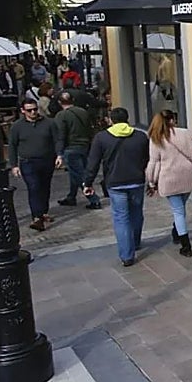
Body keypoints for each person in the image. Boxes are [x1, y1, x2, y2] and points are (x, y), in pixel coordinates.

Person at [83, 107, 151, 267]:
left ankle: (127, 255)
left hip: (115, 182)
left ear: (110, 120)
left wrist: (88, 182)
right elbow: (147, 158)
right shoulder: (140, 136)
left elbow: (93, 163)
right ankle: (135, 242)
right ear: (127, 119)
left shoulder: (101, 138)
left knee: (121, 218)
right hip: (137, 180)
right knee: (136, 213)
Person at [146, 109, 192, 258]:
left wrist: (151, 181)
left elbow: (154, 162)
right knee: (180, 208)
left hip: (169, 179)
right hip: (188, 176)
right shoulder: (187, 133)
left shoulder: (156, 138)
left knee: (178, 211)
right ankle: (177, 232)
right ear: (173, 120)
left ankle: (186, 245)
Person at [8, 97, 63, 232]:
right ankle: (36, 217)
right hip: (28, 162)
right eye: (29, 110)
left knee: (44, 187)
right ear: (23, 111)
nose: (33, 112)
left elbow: (57, 139)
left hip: (46, 160)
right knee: (34, 187)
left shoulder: (49, 123)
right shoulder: (17, 126)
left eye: (34, 109)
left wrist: (59, 155)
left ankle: (43, 212)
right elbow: (12, 146)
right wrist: (14, 165)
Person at [55, 91, 100, 210]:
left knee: (79, 174)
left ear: (60, 102)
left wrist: (59, 153)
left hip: (71, 148)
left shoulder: (61, 115)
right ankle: (71, 196)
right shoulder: (82, 111)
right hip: (84, 146)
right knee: (75, 173)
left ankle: (94, 199)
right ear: (73, 100)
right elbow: (90, 128)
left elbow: (61, 135)